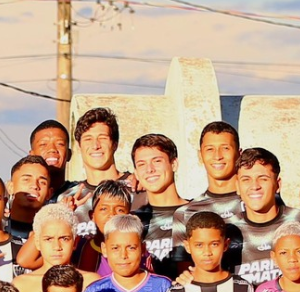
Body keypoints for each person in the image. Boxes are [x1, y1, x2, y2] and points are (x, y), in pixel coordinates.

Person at [222, 148, 300, 287]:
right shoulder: (227, 229)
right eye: (246, 180)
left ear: (278, 184)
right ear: (237, 186)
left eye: (263, 179)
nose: (254, 186)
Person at [127, 134, 189, 276]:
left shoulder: (197, 212)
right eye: (142, 164)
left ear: (174, 164)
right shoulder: (132, 221)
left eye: (157, 161)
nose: (149, 169)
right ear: (136, 172)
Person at [14, 205, 94, 292]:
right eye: (49, 239)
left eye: (64, 238)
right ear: (37, 242)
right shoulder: (22, 284)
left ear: (75, 242)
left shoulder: (90, 282)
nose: (57, 246)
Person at [58, 108, 124, 207]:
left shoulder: (137, 188)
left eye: (102, 138)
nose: (95, 145)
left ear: (115, 144)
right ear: (79, 146)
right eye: (88, 139)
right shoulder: (67, 198)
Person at [184, 121, 243, 218]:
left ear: (239, 154)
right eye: (210, 149)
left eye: (225, 148)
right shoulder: (188, 212)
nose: (217, 156)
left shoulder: (257, 202)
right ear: (200, 156)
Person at [6, 155, 54, 243]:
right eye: (26, 180)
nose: (35, 186)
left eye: (42, 182)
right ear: (10, 187)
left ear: (49, 193)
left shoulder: (53, 235)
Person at [27, 120, 72, 198]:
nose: (52, 149)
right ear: (31, 156)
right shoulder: (21, 198)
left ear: (69, 154)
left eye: (60, 144)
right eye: (43, 144)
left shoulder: (81, 195)